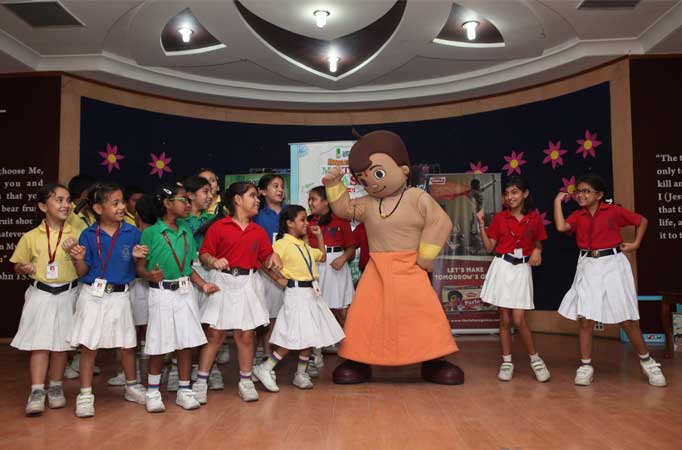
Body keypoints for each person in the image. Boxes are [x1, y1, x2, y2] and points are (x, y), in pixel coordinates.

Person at [324, 130, 462, 385]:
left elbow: (440, 222)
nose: (372, 184)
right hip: (377, 268)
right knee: (364, 314)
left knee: (422, 314)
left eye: (377, 174)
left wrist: (425, 256)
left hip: (410, 268)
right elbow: (343, 209)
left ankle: (433, 359)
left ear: (404, 169)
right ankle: (358, 358)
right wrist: (334, 185)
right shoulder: (366, 203)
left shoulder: (416, 198)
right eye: (364, 180)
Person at [554, 173, 666, 387]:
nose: (581, 195)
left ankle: (648, 362)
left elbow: (642, 221)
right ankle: (586, 365)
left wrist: (635, 244)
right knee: (585, 317)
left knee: (627, 318)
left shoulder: (613, 211)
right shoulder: (579, 215)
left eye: (586, 191)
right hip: (588, 265)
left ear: (599, 195)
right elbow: (561, 227)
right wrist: (557, 201)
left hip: (613, 264)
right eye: (578, 191)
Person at [192, 182, 282, 403]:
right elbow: (204, 254)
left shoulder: (257, 231)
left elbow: (266, 257)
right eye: (252, 195)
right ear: (238, 200)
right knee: (215, 334)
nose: (257, 200)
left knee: (246, 334)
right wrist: (213, 260)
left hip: (248, 283)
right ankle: (201, 382)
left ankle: (246, 381)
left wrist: (274, 258)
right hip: (222, 282)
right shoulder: (219, 227)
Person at [136, 183, 220, 413]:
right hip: (162, 292)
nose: (187, 204)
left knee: (186, 343)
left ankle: (184, 389)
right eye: (183, 200)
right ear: (166, 203)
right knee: (159, 343)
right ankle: (153, 392)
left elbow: (189, 266)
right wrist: (148, 275)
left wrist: (203, 284)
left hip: (185, 292)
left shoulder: (185, 230)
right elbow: (140, 267)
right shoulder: (151, 233)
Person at [67, 182, 148, 417]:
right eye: (115, 203)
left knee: (127, 344)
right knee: (88, 345)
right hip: (92, 295)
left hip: (121, 295)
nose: (122, 206)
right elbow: (82, 272)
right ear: (99, 208)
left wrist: (137, 259)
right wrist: (79, 259)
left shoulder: (132, 232)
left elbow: (140, 268)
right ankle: (84, 394)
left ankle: (132, 386)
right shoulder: (88, 234)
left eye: (123, 202)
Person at [253, 205, 345, 391]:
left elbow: (321, 257)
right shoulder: (282, 244)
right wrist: (278, 279)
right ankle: (266, 367)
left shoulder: (302, 244)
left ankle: (300, 374)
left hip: (311, 294)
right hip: (296, 294)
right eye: (302, 219)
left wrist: (319, 237)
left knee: (310, 336)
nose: (306, 223)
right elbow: (262, 261)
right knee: (293, 335)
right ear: (289, 223)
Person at [10, 184, 81, 416]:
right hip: (41, 294)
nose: (66, 205)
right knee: (40, 344)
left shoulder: (76, 234)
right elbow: (17, 265)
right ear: (43, 206)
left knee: (61, 345)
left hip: (68, 293)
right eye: (59, 200)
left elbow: (83, 268)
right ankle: (37, 390)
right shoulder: (31, 237)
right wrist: (23, 267)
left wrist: (76, 254)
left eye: (68, 200)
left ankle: (57, 387)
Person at [478, 175, 551, 383]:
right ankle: (507, 362)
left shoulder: (534, 218)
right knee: (505, 319)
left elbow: (538, 242)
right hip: (502, 267)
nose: (510, 197)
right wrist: (482, 225)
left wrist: (538, 250)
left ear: (525, 194)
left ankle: (536, 360)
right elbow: (490, 247)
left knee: (519, 319)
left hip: (521, 270)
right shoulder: (500, 219)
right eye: (507, 193)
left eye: (515, 192)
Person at [253, 174, 286, 361]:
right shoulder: (257, 216)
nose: (280, 189)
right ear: (263, 191)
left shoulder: (289, 213)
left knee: (289, 312)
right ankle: (266, 353)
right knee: (268, 315)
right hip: (265, 271)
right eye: (275, 186)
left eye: (282, 186)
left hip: (288, 270)